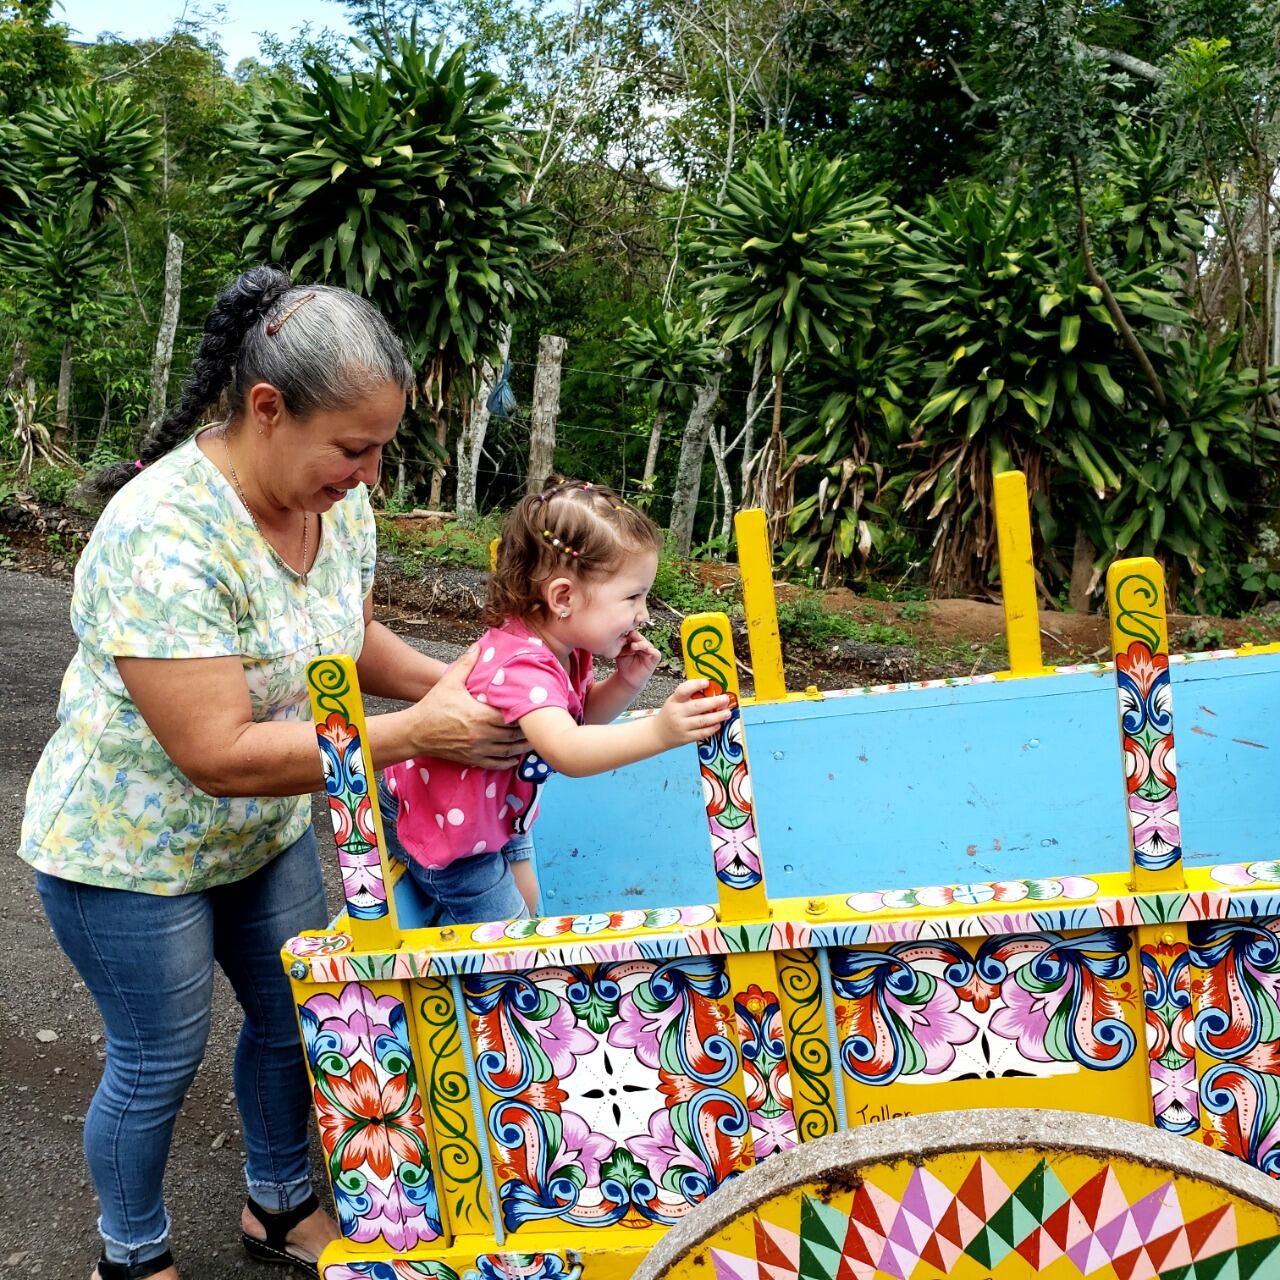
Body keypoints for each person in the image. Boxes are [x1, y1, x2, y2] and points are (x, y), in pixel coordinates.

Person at [17, 267, 526, 1280]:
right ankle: (132, 1251)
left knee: (304, 1015)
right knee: (157, 1060)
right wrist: (420, 731)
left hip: (265, 827)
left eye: (380, 446)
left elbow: (344, 635)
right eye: (352, 447)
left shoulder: (336, 507)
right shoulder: (163, 532)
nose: (370, 472)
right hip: (127, 850)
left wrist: (453, 687)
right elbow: (214, 751)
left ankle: (280, 1202)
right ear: (265, 408)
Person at [380, 479, 731, 924]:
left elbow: (579, 723)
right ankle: (473, 989)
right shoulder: (523, 664)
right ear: (563, 597)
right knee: (509, 935)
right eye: (632, 597)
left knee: (531, 908)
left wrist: (625, 682)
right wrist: (662, 731)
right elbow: (568, 751)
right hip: (449, 829)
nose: (644, 615)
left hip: (498, 807)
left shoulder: (566, 648)